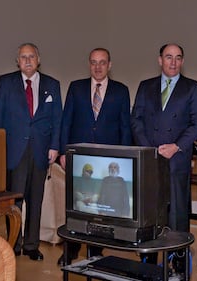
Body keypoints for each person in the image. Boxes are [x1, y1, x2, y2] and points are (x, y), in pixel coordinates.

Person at [131, 43, 197, 277]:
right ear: (159, 59)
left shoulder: (192, 88)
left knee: (177, 213)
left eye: (178, 58)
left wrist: (177, 146)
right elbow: (137, 120)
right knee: (150, 213)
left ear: (182, 61)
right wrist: (149, 148)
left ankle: (179, 265)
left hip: (176, 160)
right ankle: (148, 263)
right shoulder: (145, 86)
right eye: (168, 57)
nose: (173, 62)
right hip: (150, 160)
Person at [58, 47, 132, 265]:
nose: (98, 67)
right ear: (89, 64)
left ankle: (96, 251)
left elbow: (125, 127)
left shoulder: (121, 90)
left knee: (100, 206)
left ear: (109, 65)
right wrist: (63, 152)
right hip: (80, 158)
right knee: (76, 205)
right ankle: (70, 250)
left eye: (102, 62)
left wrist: (123, 156)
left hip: (107, 160)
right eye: (93, 62)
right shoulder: (76, 88)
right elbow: (66, 122)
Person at [0, 43, 62, 261]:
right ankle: (14, 243)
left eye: (32, 56)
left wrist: (55, 147)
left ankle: (31, 245)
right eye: (23, 57)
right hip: (14, 151)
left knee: (36, 199)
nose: (28, 61)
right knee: (14, 202)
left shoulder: (52, 84)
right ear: (18, 61)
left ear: (38, 59)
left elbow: (57, 119)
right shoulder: (6, 82)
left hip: (41, 151)